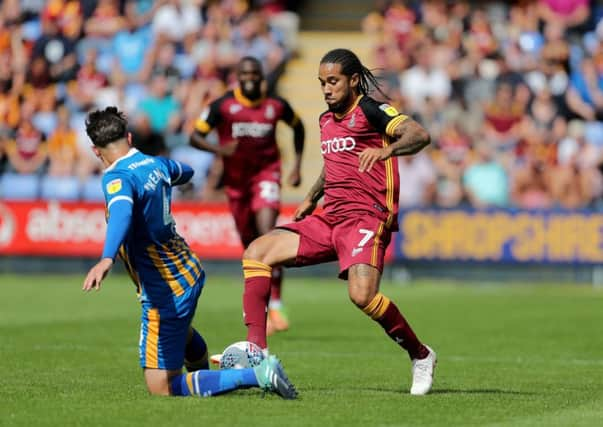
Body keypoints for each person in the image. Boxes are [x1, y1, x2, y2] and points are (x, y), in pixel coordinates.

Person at [240, 48, 437, 395]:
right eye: (321, 83)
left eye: (333, 81)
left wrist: (386, 150)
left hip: (367, 216)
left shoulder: (372, 111)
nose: (326, 89)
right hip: (329, 216)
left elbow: (419, 135)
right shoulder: (325, 120)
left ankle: (420, 355)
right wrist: (312, 197)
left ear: (353, 80)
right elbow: (335, 164)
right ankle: (258, 356)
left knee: (362, 296)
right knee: (257, 252)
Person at [82, 106, 297, 399]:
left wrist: (106, 258)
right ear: (129, 137)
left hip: (165, 288)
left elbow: (121, 211)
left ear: (96, 151)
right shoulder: (156, 164)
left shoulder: (116, 178)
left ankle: (257, 374)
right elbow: (186, 171)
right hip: (189, 270)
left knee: (161, 388)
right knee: (180, 335)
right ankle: (205, 379)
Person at [190, 56, 305, 336]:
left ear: (261, 75)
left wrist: (297, 167)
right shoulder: (223, 105)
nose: (250, 77)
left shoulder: (275, 105)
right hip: (237, 183)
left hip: (267, 174)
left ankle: (275, 304)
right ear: (238, 77)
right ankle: (264, 303)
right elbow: (194, 136)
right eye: (245, 73)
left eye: (255, 72)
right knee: (249, 243)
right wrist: (220, 151)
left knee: (267, 234)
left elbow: (299, 128)